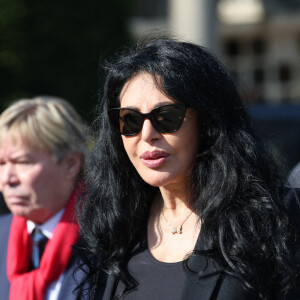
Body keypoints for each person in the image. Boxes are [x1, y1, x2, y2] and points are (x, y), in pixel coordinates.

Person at [76, 38, 300, 299]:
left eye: (166, 117)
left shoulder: (275, 217)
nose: (147, 134)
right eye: (130, 120)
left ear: (206, 122)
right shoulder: (116, 225)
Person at [0, 97, 89, 300]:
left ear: (70, 164)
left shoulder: (110, 238)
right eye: (2, 164)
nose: (7, 179)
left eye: (22, 162)